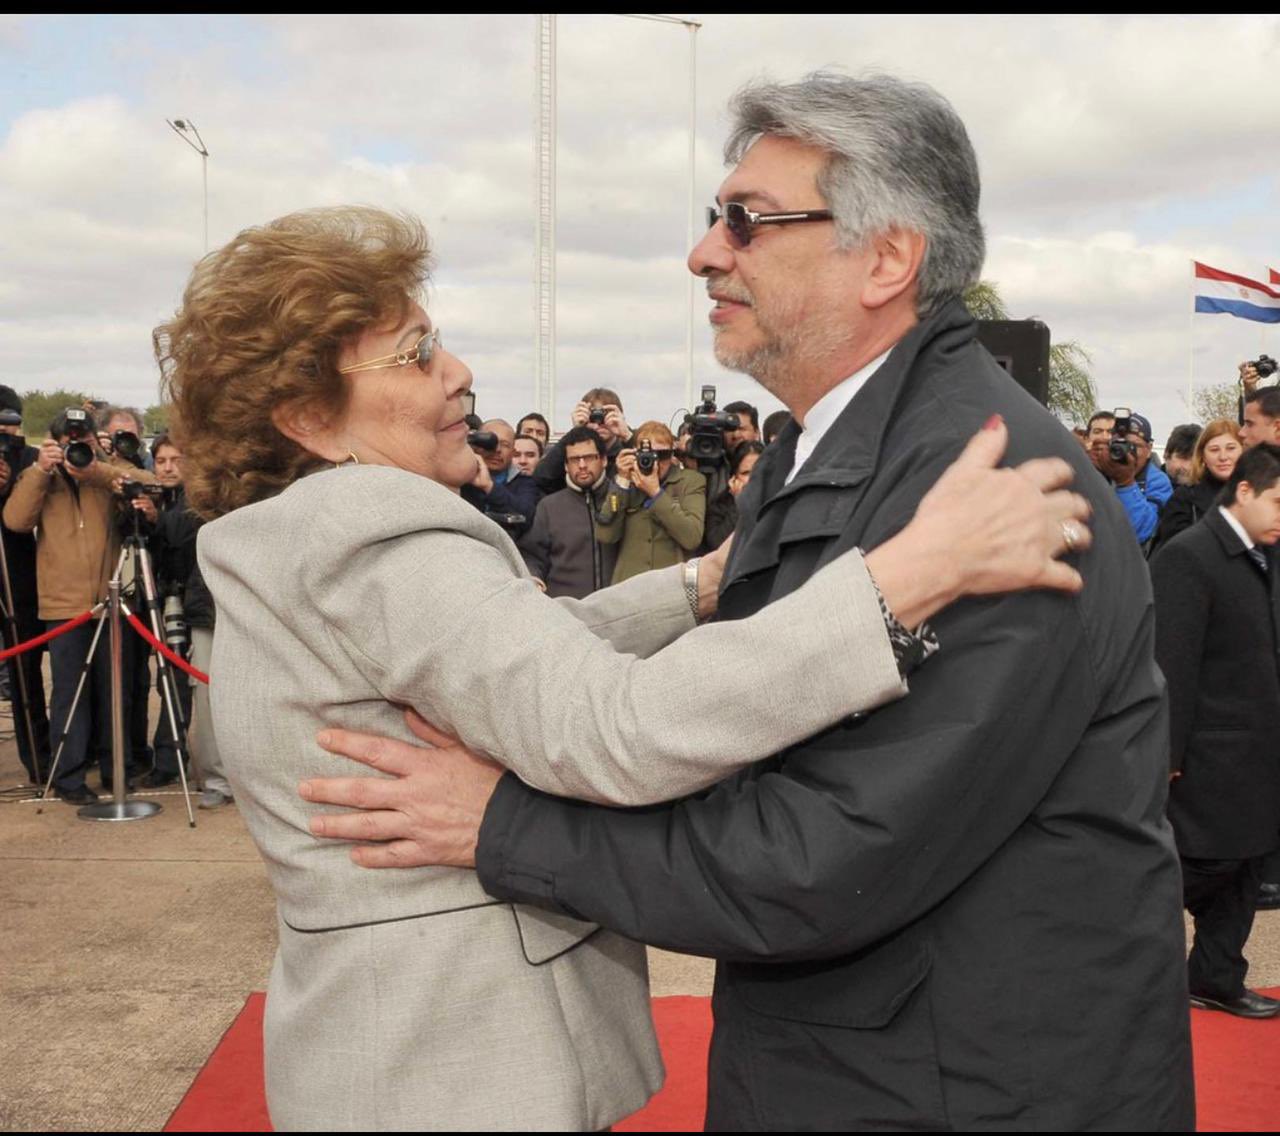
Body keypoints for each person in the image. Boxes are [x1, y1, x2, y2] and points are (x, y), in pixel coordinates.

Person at [310, 75, 1194, 1130]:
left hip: (966, 1086)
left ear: (885, 257)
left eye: (746, 220)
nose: (704, 253)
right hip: (855, 1060)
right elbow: (724, 714)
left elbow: (822, 856)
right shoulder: (822, 452)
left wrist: (502, 825)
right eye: (711, 218)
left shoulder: (990, 486)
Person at [159, 205, 1090, 1133]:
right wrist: (904, 579)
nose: (458, 373)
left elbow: (510, 652)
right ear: (311, 418)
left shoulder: (303, 538)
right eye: (413, 355)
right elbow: (615, 730)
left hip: (385, 1049)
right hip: (454, 1066)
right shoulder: (376, 535)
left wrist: (695, 588)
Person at [1150, 443, 1280, 1018]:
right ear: (1244, 492)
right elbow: (1169, 665)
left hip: (1256, 751)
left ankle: (1214, 976)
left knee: (1247, 869)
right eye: (1279, 500)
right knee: (1197, 868)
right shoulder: (1190, 557)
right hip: (1208, 755)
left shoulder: (1261, 554)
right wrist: (1165, 754)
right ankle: (1119, 977)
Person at [2, 411, 149, 802]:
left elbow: (150, 485)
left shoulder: (104, 470)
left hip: (110, 599)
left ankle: (115, 768)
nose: (75, 444)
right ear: (53, 441)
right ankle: (68, 777)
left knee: (112, 691)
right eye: (68, 438)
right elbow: (15, 520)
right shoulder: (42, 477)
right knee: (69, 693)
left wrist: (97, 469)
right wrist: (39, 471)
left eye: (81, 435)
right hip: (62, 605)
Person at [0, 386, 51, 783]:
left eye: (11, 425)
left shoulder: (31, 460)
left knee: (26, 676)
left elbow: (22, 519)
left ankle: (39, 758)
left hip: (22, 581)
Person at [596, 421, 706, 583]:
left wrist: (655, 493)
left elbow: (691, 538)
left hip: (671, 585)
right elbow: (606, 536)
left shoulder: (691, 481)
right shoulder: (626, 483)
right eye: (647, 455)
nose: (655, 462)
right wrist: (621, 482)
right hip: (629, 585)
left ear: (672, 454)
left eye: (662, 456)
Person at [518, 426, 617, 599]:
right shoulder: (549, 507)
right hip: (565, 612)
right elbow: (532, 555)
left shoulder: (623, 500)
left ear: (603, 460)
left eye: (588, 457)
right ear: (565, 465)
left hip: (618, 611)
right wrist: (533, 576)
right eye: (574, 459)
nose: (582, 465)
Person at [1151, 419, 1242, 555]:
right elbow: (1174, 552)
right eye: (1214, 450)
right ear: (1202, 455)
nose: (1223, 457)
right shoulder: (1184, 498)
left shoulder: (1261, 493)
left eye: (1231, 448)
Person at [1090, 410, 1173, 548]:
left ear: (1149, 449)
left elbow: (1142, 532)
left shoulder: (1158, 481)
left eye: (1136, 446)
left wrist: (1126, 483)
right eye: (1120, 444)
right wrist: (1089, 467)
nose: (1127, 452)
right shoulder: (1101, 468)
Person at [533, 388, 633, 494]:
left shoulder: (628, 449)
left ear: (619, 417)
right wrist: (576, 432)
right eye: (594, 416)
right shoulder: (575, 453)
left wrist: (628, 436)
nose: (599, 423)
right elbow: (542, 477)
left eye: (606, 415)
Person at [701, 440, 765, 554]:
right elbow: (717, 543)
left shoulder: (780, 499)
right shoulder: (719, 505)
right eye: (745, 473)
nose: (753, 477)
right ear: (733, 477)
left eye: (759, 470)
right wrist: (739, 504)